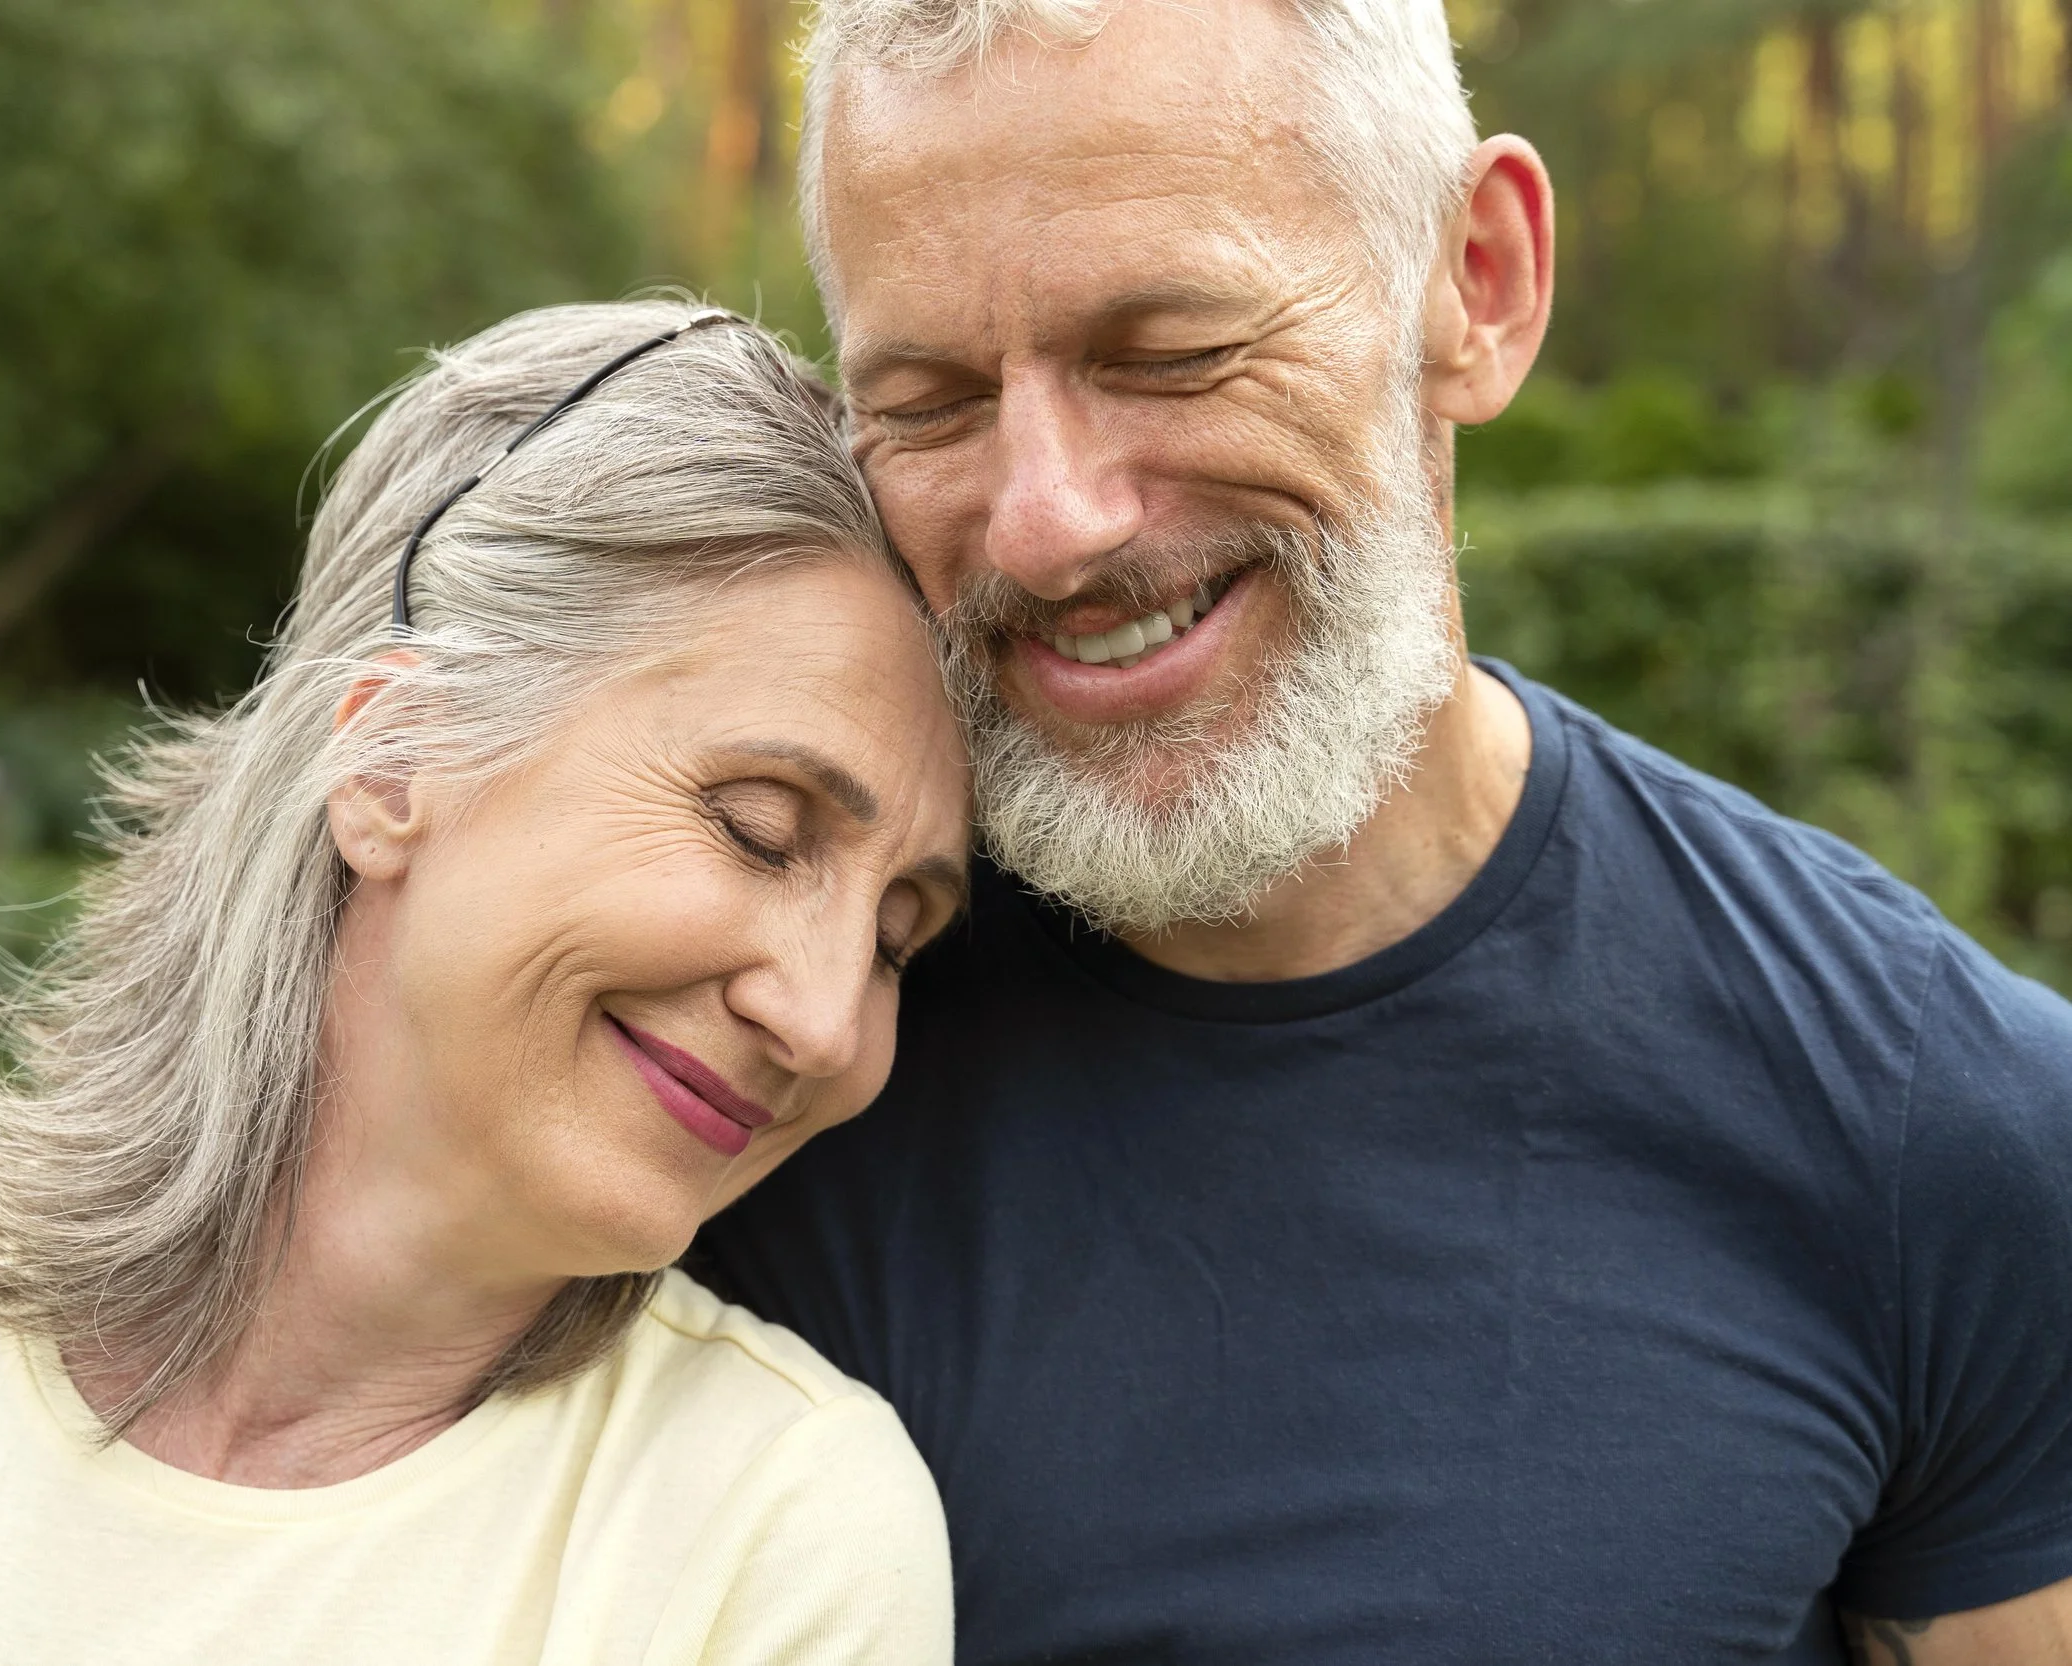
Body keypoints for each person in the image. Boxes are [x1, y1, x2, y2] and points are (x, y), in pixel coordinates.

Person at [694, 3, 2072, 1662]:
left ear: (1476, 282)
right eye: (926, 402)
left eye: (1168, 352)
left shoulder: (1942, 1125)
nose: (1049, 523)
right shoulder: (730, 1059)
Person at [0, 301, 971, 1665]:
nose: (825, 1013)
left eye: (900, 936)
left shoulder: (771, 1540)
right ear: (395, 756)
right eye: (760, 826)